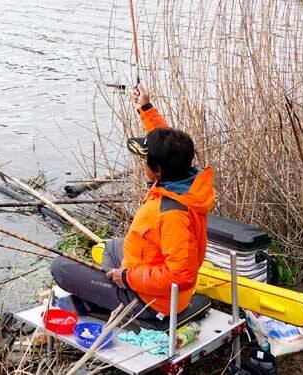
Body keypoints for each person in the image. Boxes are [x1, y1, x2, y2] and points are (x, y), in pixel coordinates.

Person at [51, 83, 215, 319]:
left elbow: (181, 276)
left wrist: (128, 278)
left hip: (155, 302)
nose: (143, 162)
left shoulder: (172, 214)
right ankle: (110, 293)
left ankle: (117, 302)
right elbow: (165, 140)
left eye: (146, 159)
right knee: (111, 246)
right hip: (147, 276)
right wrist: (145, 108)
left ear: (157, 170)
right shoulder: (184, 181)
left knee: (60, 268)